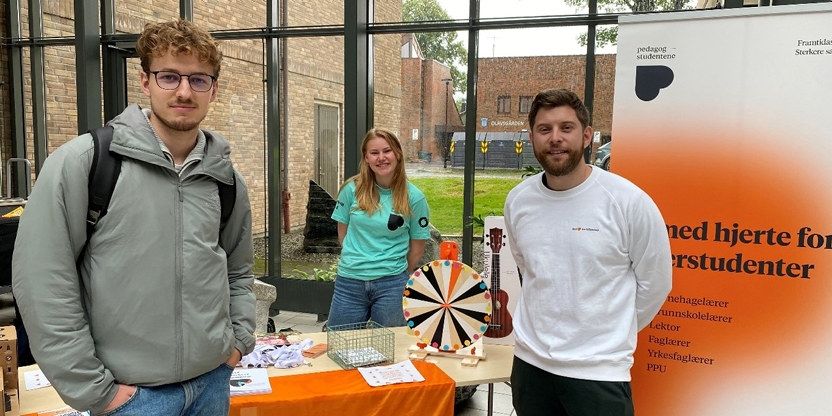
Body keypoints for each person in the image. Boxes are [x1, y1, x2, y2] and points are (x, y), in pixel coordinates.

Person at [12, 20, 255, 415]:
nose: (182, 91)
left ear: (213, 88)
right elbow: (43, 283)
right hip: (133, 399)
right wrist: (96, 391)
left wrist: (238, 341)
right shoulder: (85, 162)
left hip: (211, 385)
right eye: (169, 76)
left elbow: (238, 271)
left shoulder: (224, 179)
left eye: (198, 80)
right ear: (144, 82)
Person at [503, 89, 672, 416]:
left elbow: (656, 284)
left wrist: (608, 329)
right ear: (531, 137)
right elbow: (528, 268)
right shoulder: (519, 200)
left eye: (566, 128)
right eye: (544, 129)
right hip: (530, 365)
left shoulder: (628, 202)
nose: (555, 138)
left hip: (597, 373)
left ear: (587, 136)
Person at [326, 128, 430, 328]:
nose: (381, 158)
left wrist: (395, 270)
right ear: (366, 157)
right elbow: (343, 234)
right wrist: (358, 259)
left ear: (397, 154)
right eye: (374, 153)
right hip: (349, 282)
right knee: (339, 346)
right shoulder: (351, 190)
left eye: (387, 151)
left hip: (392, 284)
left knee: (392, 351)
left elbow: (417, 247)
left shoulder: (415, 198)